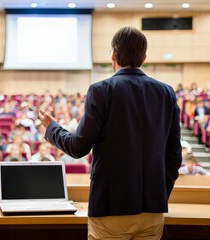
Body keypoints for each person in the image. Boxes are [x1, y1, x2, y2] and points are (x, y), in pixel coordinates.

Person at [38, 26, 181, 239]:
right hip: (153, 210)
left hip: (111, 209)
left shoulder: (101, 90)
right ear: (143, 57)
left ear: (113, 54)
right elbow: (174, 157)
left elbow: (78, 147)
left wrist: (52, 128)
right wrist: (158, 194)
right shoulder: (166, 92)